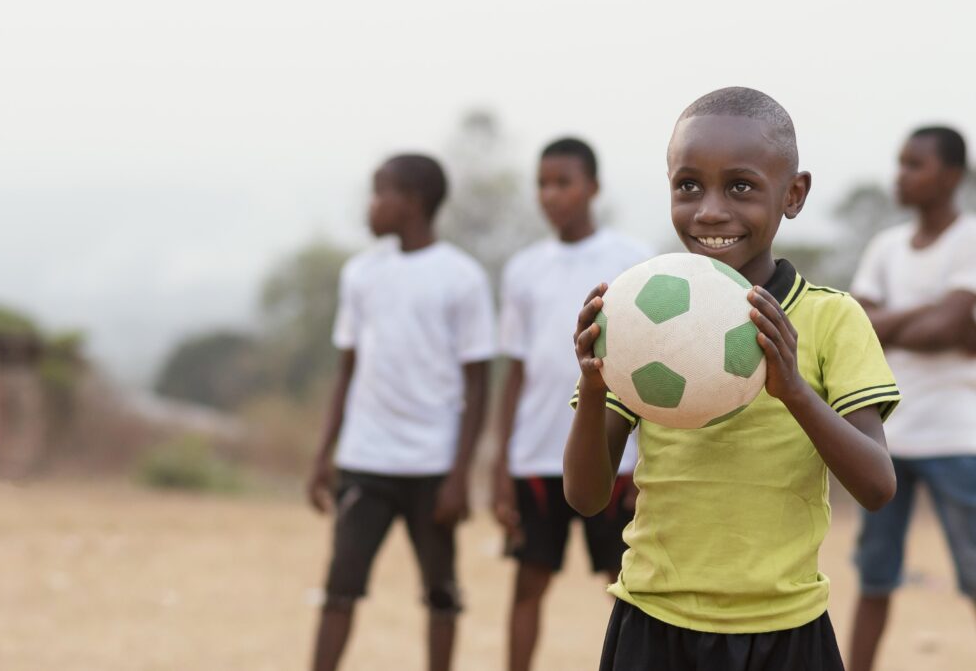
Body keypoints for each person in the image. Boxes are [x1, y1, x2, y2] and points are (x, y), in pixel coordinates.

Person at [564, 87, 901, 671]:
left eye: (740, 186)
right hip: (653, 620)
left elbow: (876, 487)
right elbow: (586, 496)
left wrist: (794, 390)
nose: (710, 210)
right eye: (687, 185)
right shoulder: (639, 315)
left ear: (793, 194)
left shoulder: (830, 317)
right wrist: (594, 391)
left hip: (786, 627)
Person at [306, 154, 495, 671]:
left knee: (441, 595)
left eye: (378, 193)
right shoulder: (361, 274)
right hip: (365, 460)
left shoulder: (462, 277)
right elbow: (346, 371)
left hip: (432, 468)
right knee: (339, 590)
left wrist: (460, 476)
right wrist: (324, 455)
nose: (370, 206)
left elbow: (479, 387)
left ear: (411, 203)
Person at [492, 137, 651, 671]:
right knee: (529, 582)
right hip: (536, 453)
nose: (550, 194)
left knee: (626, 585)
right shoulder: (521, 269)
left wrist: (647, 457)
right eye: (542, 183)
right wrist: (499, 462)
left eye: (563, 181)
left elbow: (652, 363)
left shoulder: (630, 259)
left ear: (593, 187)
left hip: (614, 456)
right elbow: (514, 370)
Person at [847, 126, 976, 671]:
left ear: (951, 175)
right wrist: (929, 315)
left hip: (957, 436)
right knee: (874, 578)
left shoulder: (969, 237)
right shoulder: (886, 246)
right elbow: (855, 325)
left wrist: (889, 323)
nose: (901, 175)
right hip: (888, 438)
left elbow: (944, 328)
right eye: (900, 163)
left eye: (914, 165)